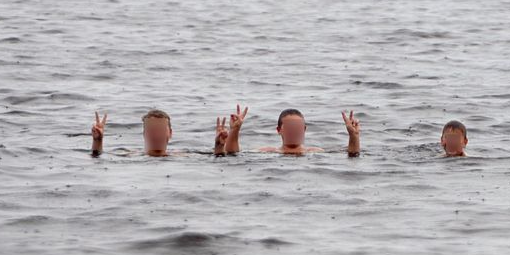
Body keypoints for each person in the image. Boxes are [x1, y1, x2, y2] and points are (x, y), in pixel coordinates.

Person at [224, 105, 361, 157]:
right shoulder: (268, 152)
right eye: (289, 126)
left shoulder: (315, 152)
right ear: (279, 130)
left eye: (297, 126)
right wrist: (235, 130)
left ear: (304, 129)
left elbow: (353, 154)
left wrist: (353, 136)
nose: (294, 130)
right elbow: (232, 154)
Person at [90, 109, 228, 157]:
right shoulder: (130, 156)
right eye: (152, 130)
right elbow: (99, 156)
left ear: (170, 133)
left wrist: (219, 146)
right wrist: (98, 141)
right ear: (144, 134)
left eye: (161, 130)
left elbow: (219, 159)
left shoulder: (183, 156)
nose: (156, 135)